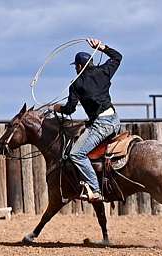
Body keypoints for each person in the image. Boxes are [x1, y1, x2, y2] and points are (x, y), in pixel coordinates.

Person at [53, 38, 122, 202]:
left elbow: (70, 109)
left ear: (78, 66)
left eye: (75, 67)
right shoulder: (103, 71)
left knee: (76, 154)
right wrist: (102, 47)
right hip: (114, 120)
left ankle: (96, 190)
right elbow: (117, 57)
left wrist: (57, 109)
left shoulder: (76, 84)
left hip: (101, 125)